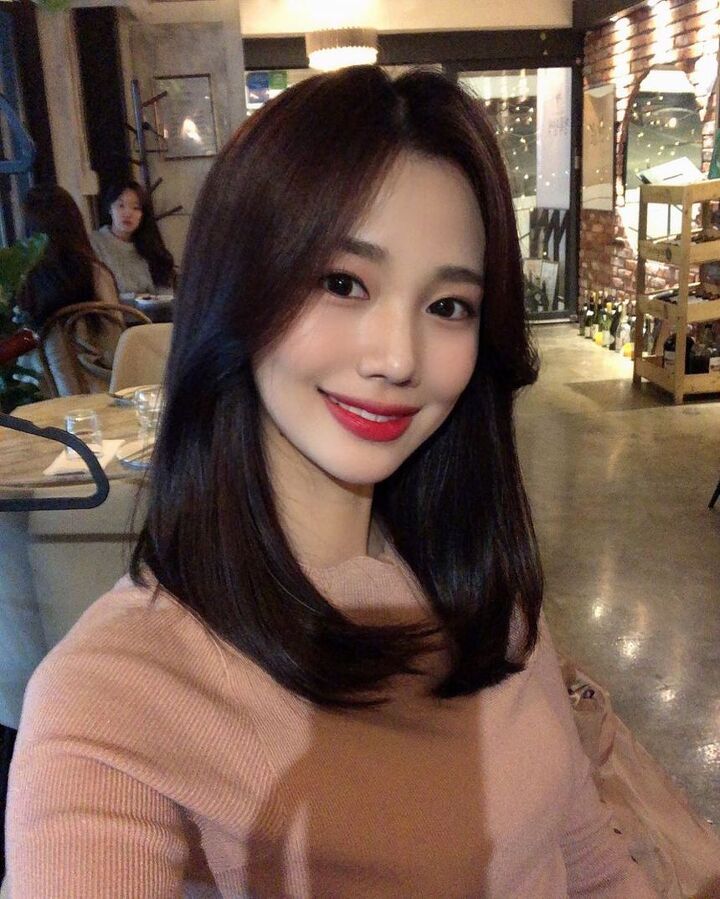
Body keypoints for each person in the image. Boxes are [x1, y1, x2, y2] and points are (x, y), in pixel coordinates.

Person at [5, 67, 657, 897]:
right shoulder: (116, 693)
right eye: (343, 283)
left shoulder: (478, 584)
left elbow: (590, 860)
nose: (398, 357)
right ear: (239, 288)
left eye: (449, 305)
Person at [17, 184, 119, 329]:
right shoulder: (96, 272)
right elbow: (116, 327)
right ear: (76, 223)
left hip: (45, 344)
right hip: (101, 343)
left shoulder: (26, 279)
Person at [90, 179, 175, 296]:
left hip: (153, 307)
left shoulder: (150, 245)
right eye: (121, 205)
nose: (128, 213)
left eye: (136, 208)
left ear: (142, 214)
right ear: (110, 209)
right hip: (112, 307)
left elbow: (166, 294)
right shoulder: (95, 243)